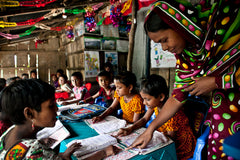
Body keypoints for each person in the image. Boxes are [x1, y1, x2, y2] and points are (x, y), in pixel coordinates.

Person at [129, 1, 240, 160]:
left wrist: (216, 82)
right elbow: (178, 97)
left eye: (164, 40)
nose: (164, 48)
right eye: (159, 44)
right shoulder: (187, 57)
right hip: (225, 112)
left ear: (179, 26)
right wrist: (150, 130)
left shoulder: (227, 26)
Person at [0, 79, 118, 159]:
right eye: (51, 106)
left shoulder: (8, 133)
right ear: (29, 113)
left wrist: (60, 156)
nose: (56, 109)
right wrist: (103, 152)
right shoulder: (34, 149)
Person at [117, 74, 196, 160]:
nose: (144, 103)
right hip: (163, 136)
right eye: (143, 99)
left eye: (147, 99)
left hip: (179, 145)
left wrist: (151, 142)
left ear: (161, 97)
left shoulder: (172, 115)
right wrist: (131, 128)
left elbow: (170, 140)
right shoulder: (155, 105)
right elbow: (144, 119)